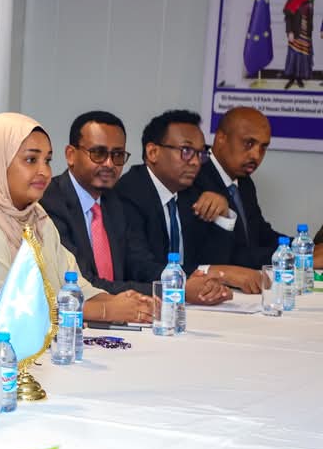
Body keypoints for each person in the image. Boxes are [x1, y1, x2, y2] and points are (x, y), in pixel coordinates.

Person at [0, 112, 153, 324]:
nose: (44, 171)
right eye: (31, 160)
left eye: (47, 161)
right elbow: (8, 302)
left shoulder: (36, 215)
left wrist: (124, 302)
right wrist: (104, 311)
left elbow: (75, 282)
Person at [43, 111, 229, 304]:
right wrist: (172, 290)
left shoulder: (114, 200)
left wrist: (187, 282)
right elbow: (83, 283)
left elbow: (139, 264)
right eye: (98, 153)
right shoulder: (51, 203)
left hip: (122, 313)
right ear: (71, 155)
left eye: (117, 155)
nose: (109, 164)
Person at [115, 110, 263, 293]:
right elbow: (142, 269)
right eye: (186, 151)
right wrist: (217, 273)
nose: (195, 162)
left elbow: (212, 258)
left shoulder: (190, 193)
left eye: (200, 154)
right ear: (153, 152)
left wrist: (223, 216)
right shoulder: (129, 193)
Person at [192, 106, 282, 269]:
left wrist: (303, 247)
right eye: (249, 143)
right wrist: (295, 258)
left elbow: (261, 235)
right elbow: (232, 256)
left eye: (263, 147)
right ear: (221, 138)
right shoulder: (194, 177)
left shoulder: (245, 182)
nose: (256, 155)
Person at [282, 0, 314, 90]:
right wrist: (289, 31)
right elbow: (288, 16)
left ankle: (299, 78)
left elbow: (309, 15)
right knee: (293, 55)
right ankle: (291, 78)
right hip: (295, 30)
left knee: (302, 55)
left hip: (306, 32)